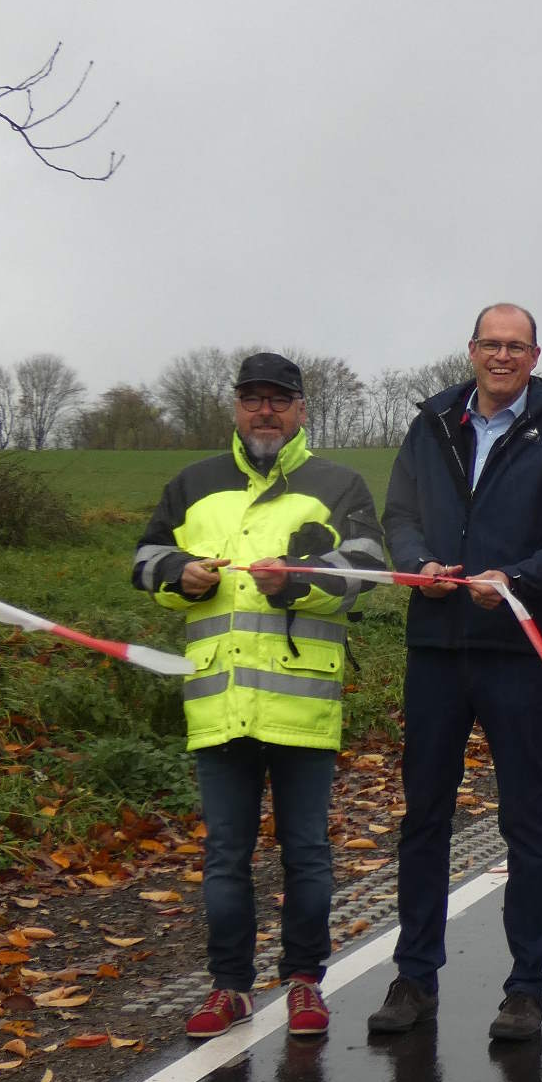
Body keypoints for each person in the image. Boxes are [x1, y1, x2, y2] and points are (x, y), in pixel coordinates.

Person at [365, 304, 542, 1044]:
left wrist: (515, 579)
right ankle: (414, 976)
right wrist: (418, 565)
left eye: (515, 346)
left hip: (516, 652)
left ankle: (526, 987)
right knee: (424, 817)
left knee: (524, 818)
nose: (502, 356)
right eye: (491, 344)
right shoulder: (432, 424)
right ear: (471, 350)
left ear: (535, 356)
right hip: (436, 647)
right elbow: (399, 514)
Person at [130, 353, 385, 1040]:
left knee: (305, 851)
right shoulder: (194, 484)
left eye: (279, 400)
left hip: (301, 703)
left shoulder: (338, 484)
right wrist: (180, 574)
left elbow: (368, 570)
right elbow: (144, 559)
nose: (265, 411)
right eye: (253, 400)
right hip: (219, 701)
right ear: (236, 408)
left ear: (301, 409)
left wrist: (296, 579)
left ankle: (304, 982)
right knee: (225, 855)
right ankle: (230, 988)